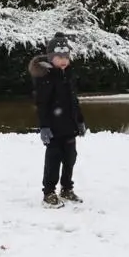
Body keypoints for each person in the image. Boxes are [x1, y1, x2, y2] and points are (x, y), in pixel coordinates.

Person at [32, 37, 84, 207]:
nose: (63, 61)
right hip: (54, 130)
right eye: (59, 57)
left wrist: (80, 121)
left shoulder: (69, 76)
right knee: (53, 161)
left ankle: (67, 189)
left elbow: (74, 101)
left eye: (66, 57)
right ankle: (48, 193)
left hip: (69, 128)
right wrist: (44, 127)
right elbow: (42, 105)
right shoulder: (46, 78)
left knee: (70, 159)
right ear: (50, 58)